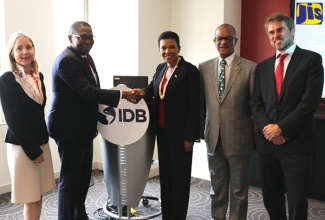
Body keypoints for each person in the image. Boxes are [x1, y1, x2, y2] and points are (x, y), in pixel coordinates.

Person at [47, 21, 141, 220]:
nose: (88, 41)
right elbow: (88, 92)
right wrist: (124, 95)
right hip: (69, 130)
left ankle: (78, 215)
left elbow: (91, 92)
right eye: (83, 36)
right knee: (70, 181)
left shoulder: (85, 57)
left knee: (82, 179)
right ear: (70, 37)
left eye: (90, 37)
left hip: (83, 129)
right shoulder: (67, 60)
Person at [250, 13, 324, 220]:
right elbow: (255, 103)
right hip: (267, 144)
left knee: (297, 200)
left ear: (292, 30)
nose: (276, 35)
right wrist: (269, 130)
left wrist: (281, 128)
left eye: (280, 30)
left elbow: (309, 103)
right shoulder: (262, 67)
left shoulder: (311, 59)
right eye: (271, 32)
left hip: (296, 143)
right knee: (270, 198)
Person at [135, 31, 200, 219]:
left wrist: (190, 136)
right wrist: (141, 92)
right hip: (162, 133)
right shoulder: (160, 68)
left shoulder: (189, 71)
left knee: (180, 180)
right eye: (163, 48)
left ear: (179, 48)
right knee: (166, 178)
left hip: (181, 137)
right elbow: (152, 89)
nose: (167, 51)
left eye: (172, 47)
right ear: (159, 50)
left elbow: (195, 106)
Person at [199, 24, 256, 220]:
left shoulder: (250, 68)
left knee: (239, 191)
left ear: (235, 41)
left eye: (228, 38)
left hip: (240, 139)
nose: (223, 42)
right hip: (213, 139)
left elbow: (255, 106)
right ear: (214, 41)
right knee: (216, 188)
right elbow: (202, 104)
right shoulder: (204, 67)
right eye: (219, 39)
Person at [0, 32, 55, 220]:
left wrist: (42, 145)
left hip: (41, 142)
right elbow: (13, 119)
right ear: (12, 54)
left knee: (38, 194)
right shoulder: (7, 79)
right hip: (23, 147)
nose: (25, 52)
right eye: (19, 48)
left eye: (28, 47)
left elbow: (39, 113)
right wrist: (33, 150)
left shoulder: (37, 76)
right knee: (30, 198)